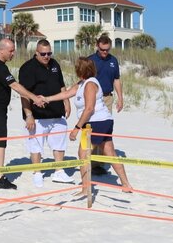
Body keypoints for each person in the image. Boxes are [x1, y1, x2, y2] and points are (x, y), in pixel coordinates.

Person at [44, 57, 132, 194]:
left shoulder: (90, 84)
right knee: (110, 153)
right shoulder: (82, 83)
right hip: (103, 121)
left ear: (80, 70)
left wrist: (76, 128)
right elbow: (66, 93)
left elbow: (89, 109)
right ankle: (126, 184)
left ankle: (86, 188)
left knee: (83, 154)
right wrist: (47, 99)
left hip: (95, 123)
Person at [0, 38, 45, 190]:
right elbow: (15, 85)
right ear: (1, 50)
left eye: (14, 51)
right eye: (11, 51)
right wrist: (34, 97)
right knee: (0, 143)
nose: (13, 54)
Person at [19, 40, 75, 188]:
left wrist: (67, 102)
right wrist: (28, 115)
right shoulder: (27, 68)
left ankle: (59, 171)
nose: (46, 56)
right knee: (36, 145)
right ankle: (37, 172)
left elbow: (62, 85)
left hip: (56, 112)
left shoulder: (54, 64)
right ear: (36, 53)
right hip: (37, 115)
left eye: (49, 53)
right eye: (43, 54)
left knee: (59, 143)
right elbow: (24, 94)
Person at [88, 35, 123, 176]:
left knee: (103, 131)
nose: (104, 52)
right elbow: (84, 80)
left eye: (107, 50)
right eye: (102, 49)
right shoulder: (90, 60)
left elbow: (116, 79)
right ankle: (89, 161)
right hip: (93, 98)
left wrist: (120, 98)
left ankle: (98, 163)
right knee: (91, 130)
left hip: (107, 98)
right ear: (97, 46)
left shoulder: (113, 60)